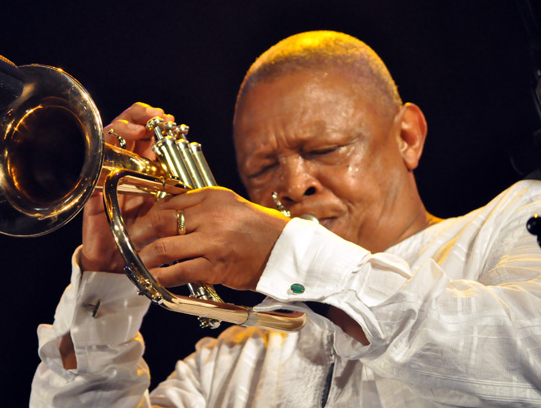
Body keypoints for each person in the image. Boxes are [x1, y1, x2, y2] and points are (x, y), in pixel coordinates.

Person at [30, 31, 541, 407]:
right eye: (264, 167)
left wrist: (290, 255)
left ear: (407, 136)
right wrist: (106, 279)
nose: (295, 185)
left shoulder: (510, 221)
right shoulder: (225, 363)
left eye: (326, 148)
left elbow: (524, 358)